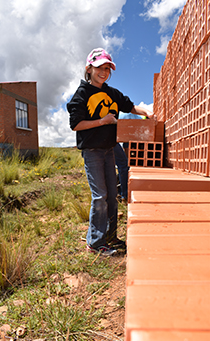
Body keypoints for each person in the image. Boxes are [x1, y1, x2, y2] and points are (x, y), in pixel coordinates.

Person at [67, 48, 155, 256]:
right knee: (100, 196)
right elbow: (75, 124)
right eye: (99, 68)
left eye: (107, 68)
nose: (104, 72)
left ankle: (110, 237)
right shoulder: (82, 94)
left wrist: (148, 112)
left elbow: (131, 106)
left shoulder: (111, 93)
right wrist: (103, 121)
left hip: (109, 149)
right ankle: (95, 243)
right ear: (89, 69)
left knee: (112, 195)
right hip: (92, 151)